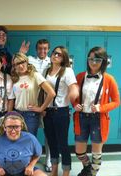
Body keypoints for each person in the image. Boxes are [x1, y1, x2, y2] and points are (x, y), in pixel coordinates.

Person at [73, 47, 120, 176]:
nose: (93, 62)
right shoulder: (81, 76)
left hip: (98, 120)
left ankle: (92, 174)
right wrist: (76, 104)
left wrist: (101, 108)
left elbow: (116, 101)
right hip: (81, 118)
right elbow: (74, 97)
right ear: (87, 60)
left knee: (96, 153)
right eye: (91, 59)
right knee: (79, 151)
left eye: (97, 60)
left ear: (103, 61)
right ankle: (88, 168)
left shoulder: (109, 79)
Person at [42, 46, 79, 176]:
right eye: (54, 53)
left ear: (64, 58)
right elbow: (43, 90)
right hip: (48, 112)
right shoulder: (46, 71)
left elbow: (73, 87)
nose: (55, 56)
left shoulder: (67, 71)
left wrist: (73, 94)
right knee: (51, 142)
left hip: (61, 112)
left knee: (62, 143)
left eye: (59, 54)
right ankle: (54, 170)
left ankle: (66, 172)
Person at [20, 39, 52, 172]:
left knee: (48, 134)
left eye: (45, 48)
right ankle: (27, 160)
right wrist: (21, 53)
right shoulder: (29, 60)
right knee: (28, 134)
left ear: (48, 49)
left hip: (46, 104)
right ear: (36, 49)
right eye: (40, 48)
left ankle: (49, 160)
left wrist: (44, 107)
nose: (42, 51)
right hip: (31, 103)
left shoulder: (52, 62)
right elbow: (18, 63)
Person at [9, 52, 55, 136]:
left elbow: (51, 93)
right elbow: (11, 99)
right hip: (17, 114)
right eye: (17, 64)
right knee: (17, 141)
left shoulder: (35, 75)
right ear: (14, 66)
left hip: (31, 115)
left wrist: (41, 108)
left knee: (29, 141)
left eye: (22, 62)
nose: (20, 66)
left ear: (27, 62)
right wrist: (8, 116)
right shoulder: (15, 78)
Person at [0, 111, 47, 176]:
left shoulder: (30, 138)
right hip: (2, 172)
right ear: (4, 127)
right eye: (10, 127)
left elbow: (38, 154)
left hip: (25, 171)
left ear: (21, 126)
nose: (13, 131)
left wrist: (31, 166)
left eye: (16, 127)